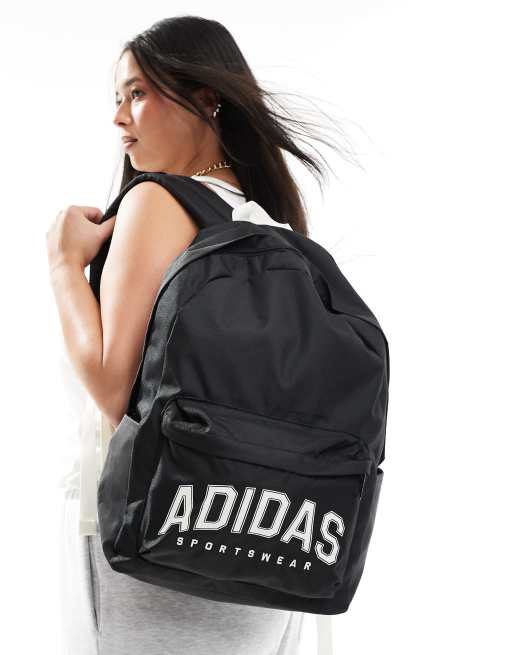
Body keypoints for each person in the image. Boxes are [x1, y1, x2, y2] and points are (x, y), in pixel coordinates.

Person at [47, 14, 351, 655]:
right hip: (268, 543)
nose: (119, 117)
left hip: (158, 539)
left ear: (206, 98)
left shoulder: (157, 201)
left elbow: (112, 388)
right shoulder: (269, 222)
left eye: (137, 93)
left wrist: (63, 264)